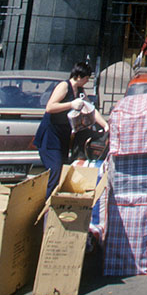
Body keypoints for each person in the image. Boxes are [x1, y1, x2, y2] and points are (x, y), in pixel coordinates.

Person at [34, 61, 108, 198]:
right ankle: (47, 206)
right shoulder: (64, 86)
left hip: (63, 136)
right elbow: (50, 107)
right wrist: (71, 104)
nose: (87, 81)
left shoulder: (79, 91)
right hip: (50, 137)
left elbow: (90, 109)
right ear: (79, 76)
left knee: (61, 171)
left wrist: (104, 125)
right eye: (86, 78)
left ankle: (54, 202)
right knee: (55, 171)